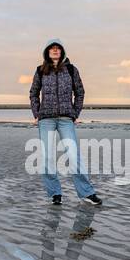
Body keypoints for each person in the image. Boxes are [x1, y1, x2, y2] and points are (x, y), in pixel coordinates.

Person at [29, 38, 102, 206]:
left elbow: (80, 92)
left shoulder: (70, 69)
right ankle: (55, 194)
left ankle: (87, 193)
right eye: (52, 49)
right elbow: (33, 93)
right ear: (47, 52)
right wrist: (36, 113)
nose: (55, 51)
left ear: (62, 52)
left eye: (58, 48)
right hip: (46, 119)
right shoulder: (40, 71)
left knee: (73, 156)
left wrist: (75, 113)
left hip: (66, 119)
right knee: (47, 158)